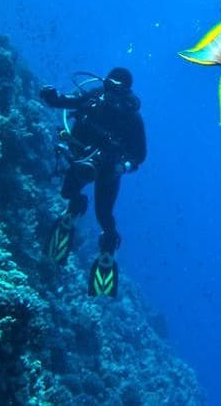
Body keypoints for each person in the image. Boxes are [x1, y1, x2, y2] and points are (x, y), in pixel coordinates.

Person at [39, 67, 147, 297]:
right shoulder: (94, 98)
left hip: (108, 171)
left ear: (126, 92)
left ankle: (108, 243)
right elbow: (71, 101)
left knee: (103, 215)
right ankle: (76, 207)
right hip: (80, 159)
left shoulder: (131, 119)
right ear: (104, 84)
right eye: (108, 87)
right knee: (68, 193)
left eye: (116, 90)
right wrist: (53, 97)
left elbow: (140, 155)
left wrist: (122, 166)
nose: (110, 94)